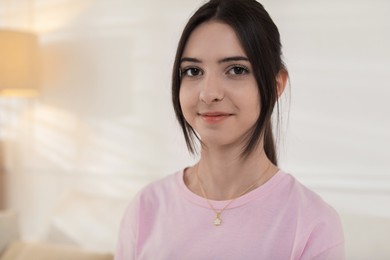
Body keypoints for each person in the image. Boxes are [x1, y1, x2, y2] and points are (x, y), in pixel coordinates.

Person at [115, 0, 345, 259]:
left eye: (236, 70)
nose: (209, 93)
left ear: (276, 85)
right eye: (193, 71)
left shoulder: (312, 223)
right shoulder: (146, 209)